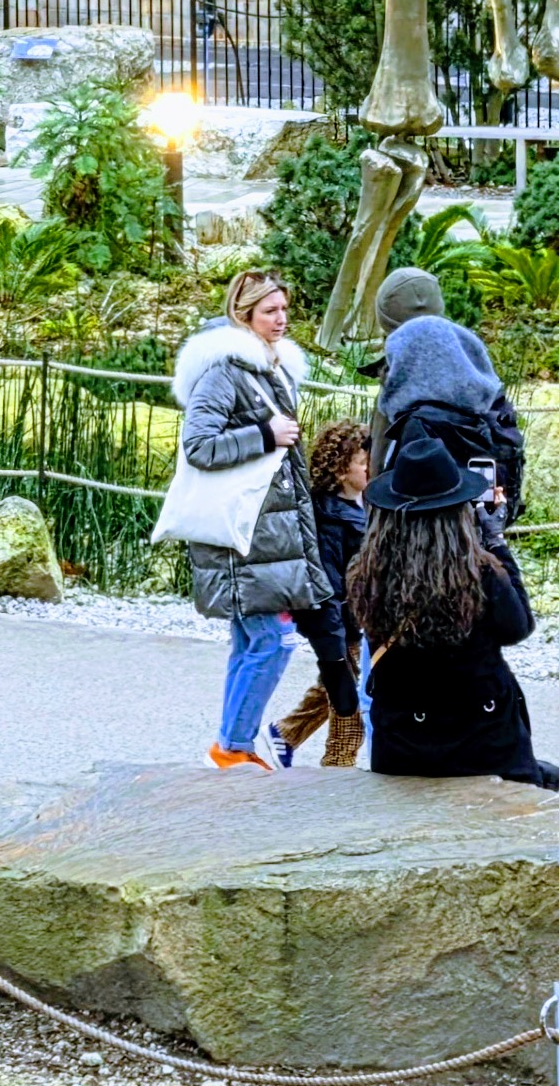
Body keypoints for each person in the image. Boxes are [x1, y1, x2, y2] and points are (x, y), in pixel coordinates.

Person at [167, 269, 327, 772]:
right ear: (243, 315)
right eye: (269, 311)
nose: (281, 320)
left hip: (265, 534)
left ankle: (232, 744)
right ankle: (232, 746)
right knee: (272, 641)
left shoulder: (268, 368)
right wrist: (263, 434)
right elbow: (198, 445)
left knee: (252, 640)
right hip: (242, 535)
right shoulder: (225, 371)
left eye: (284, 309)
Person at [349, 433, 559, 789]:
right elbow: (518, 627)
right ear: (458, 512)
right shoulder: (479, 573)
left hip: (403, 743)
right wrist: (496, 541)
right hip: (483, 740)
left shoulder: (369, 574)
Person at [372, 268, 529, 532]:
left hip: (419, 538)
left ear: (386, 318)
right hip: (484, 525)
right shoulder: (478, 373)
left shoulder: (399, 398)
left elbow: (378, 476)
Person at [271, 417, 372, 768]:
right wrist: (334, 631)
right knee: (350, 699)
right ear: (342, 470)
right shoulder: (328, 519)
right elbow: (326, 580)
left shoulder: (367, 505)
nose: (370, 468)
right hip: (339, 619)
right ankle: (338, 765)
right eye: (363, 462)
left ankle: (285, 734)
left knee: (338, 683)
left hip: (358, 618)